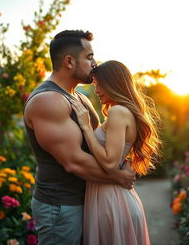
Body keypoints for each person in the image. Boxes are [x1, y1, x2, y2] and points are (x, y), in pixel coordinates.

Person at [23, 30, 136, 245]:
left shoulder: (79, 97)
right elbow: (73, 161)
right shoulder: (48, 101)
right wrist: (118, 177)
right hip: (61, 207)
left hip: (87, 200)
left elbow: (102, 141)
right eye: (89, 56)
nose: (95, 63)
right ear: (69, 61)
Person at [71, 60, 161, 245]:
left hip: (111, 201)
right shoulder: (123, 111)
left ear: (114, 83)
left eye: (99, 84)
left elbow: (110, 163)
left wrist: (87, 128)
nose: (96, 91)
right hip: (114, 198)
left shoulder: (118, 112)